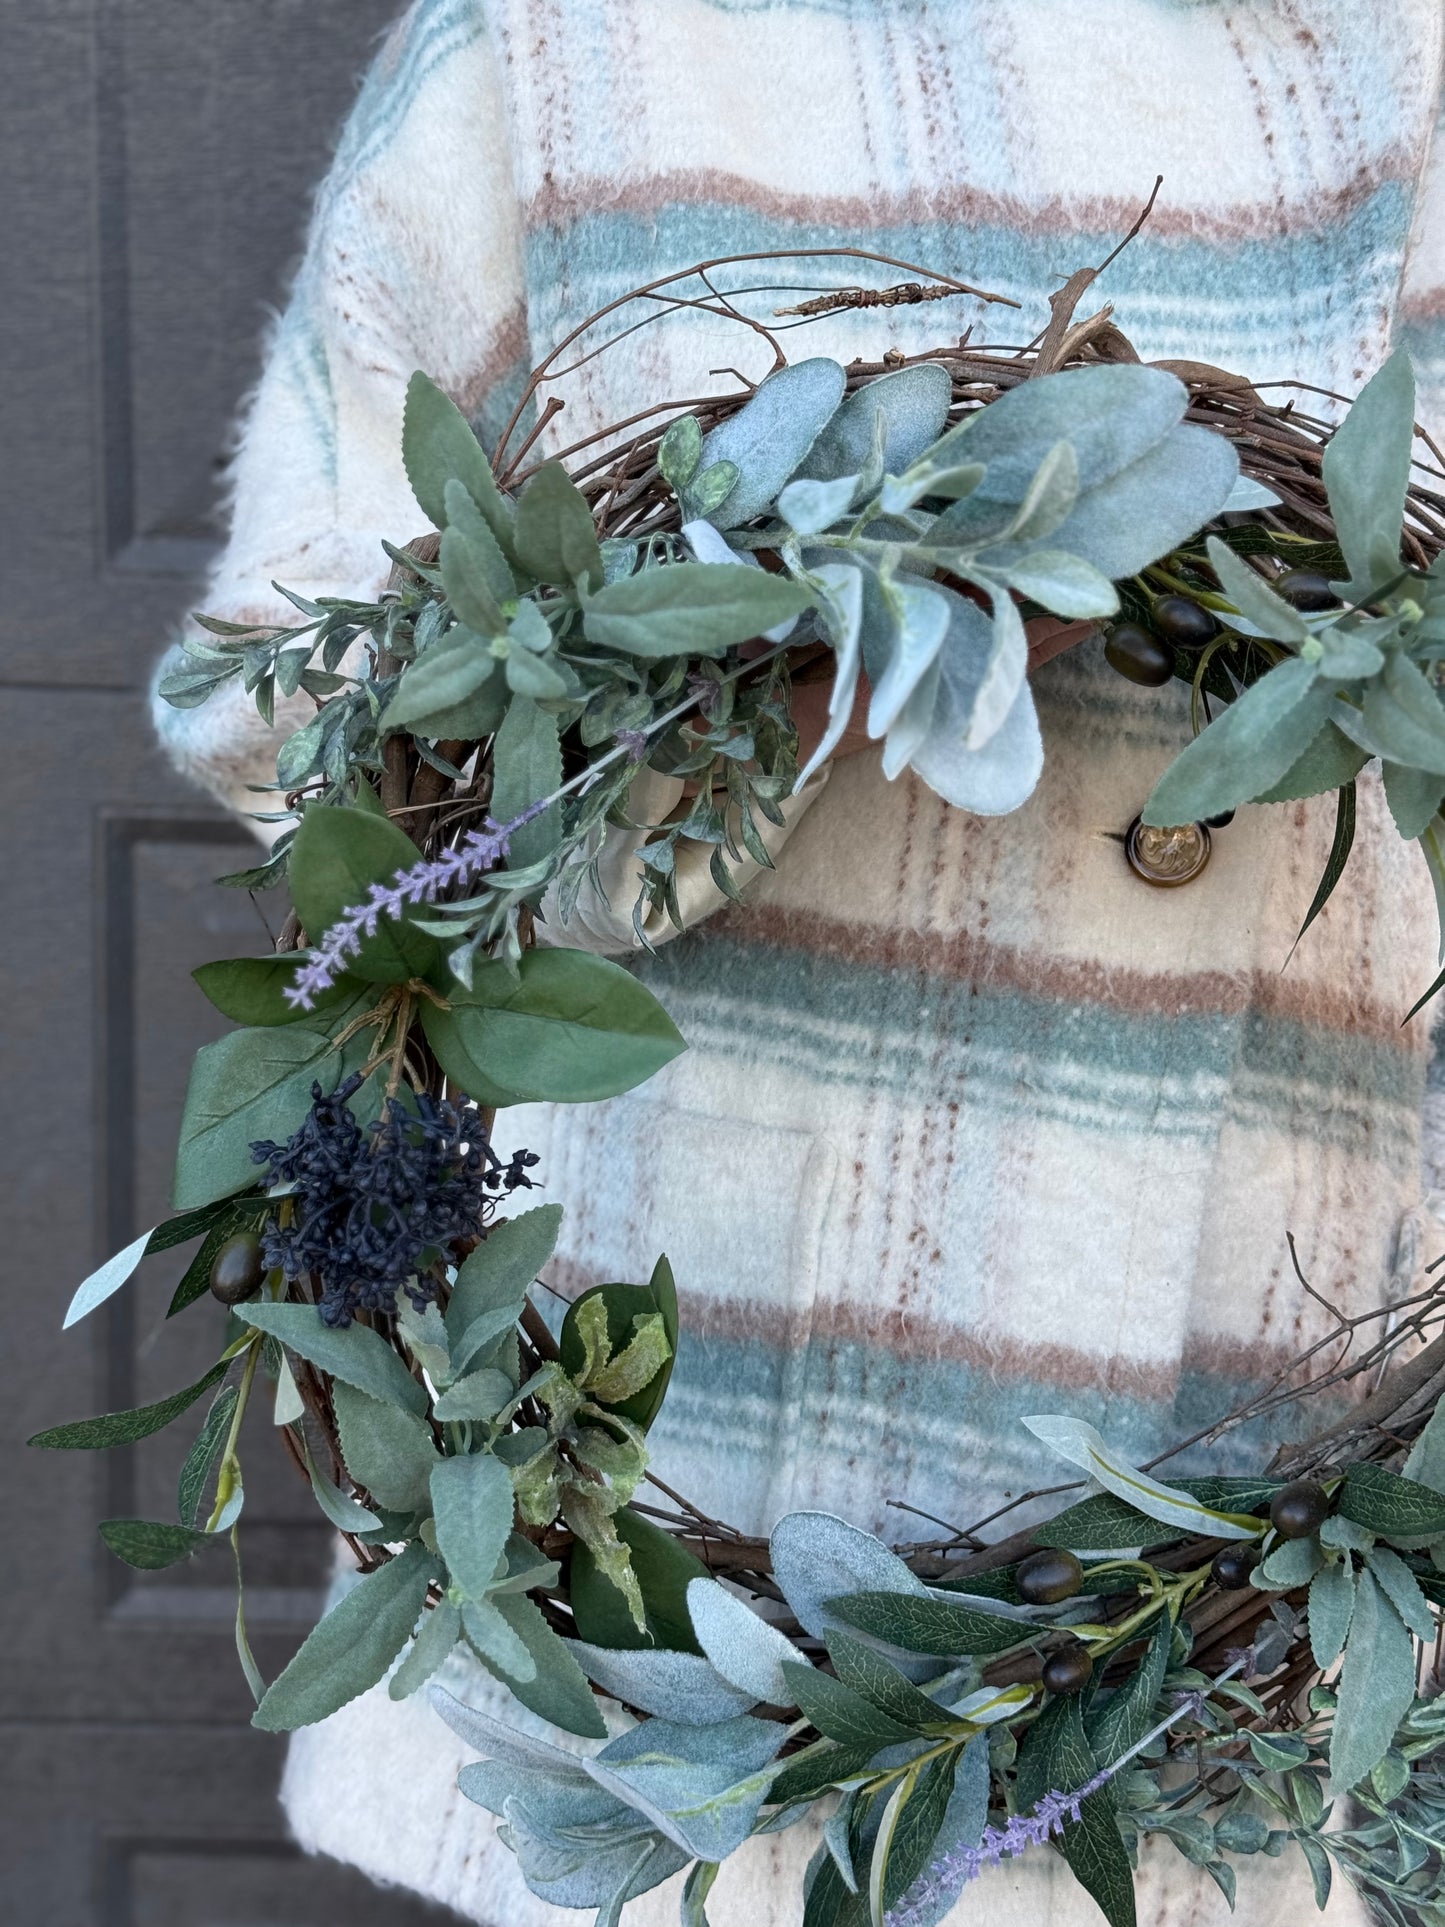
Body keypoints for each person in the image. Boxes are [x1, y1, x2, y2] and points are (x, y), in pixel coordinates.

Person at [154, 2, 1445, 1921]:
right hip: (676, 1517)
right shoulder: (575, 50)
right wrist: (713, 720)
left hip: (1281, 1547)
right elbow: (291, 685)